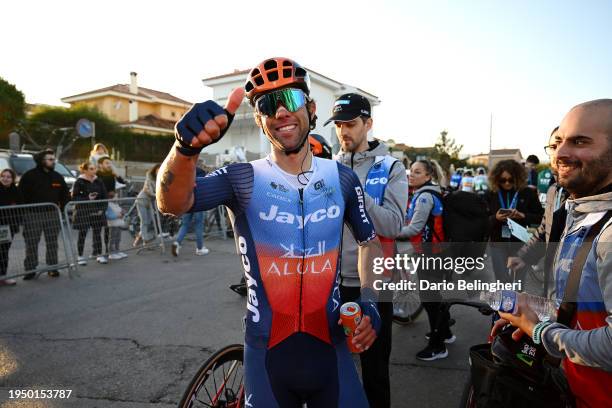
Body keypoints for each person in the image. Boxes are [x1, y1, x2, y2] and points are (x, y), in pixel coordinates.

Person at [156, 57, 384, 407]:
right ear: (260, 119)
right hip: (268, 354)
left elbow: (370, 243)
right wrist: (184, 151)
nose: (280, 113)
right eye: (267, 105)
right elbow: (172, 203)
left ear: (310, 107)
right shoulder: (242, 178)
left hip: (331, 347)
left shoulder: (342, 178)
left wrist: (368, 299)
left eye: (290, 101)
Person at [492, 99, 612, 408]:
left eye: (579, 141)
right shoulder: (583, 210)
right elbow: (583, 301)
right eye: (557, 143)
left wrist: (539, 329)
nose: (560, 153)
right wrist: (532, 316)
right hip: (576, 382)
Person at [326, 92, 408, 408]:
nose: (344, 131)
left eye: (351, 123)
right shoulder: (326, 166)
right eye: (338, 125)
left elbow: (392, 225)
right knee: (332, 367)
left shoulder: (391, 167)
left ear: (368, 124)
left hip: (373, 286)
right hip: (331, 283)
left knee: (374, 372)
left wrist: (357, 193)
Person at [398, 160, 454, 360]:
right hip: (436, 253)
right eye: (411, 171)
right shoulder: (429, 192)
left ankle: (438, 346)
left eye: (417, 172)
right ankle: (445, 333)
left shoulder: (424, 197)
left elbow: (414, 228)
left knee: (430, 299)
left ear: (428, 176)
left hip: (430, 255)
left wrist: (388, 232)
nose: (411, 175)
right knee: (435, 297)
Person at [507, 127, 567, 293]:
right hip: (551, 285)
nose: (560, 153)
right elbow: (544, 229)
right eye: (554, 147)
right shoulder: (554, 190)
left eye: (576, 143)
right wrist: (524, 256)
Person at [485, 159, 543, 283]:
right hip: (498, 242)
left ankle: (517, 302)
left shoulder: (528, 193)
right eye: (502, 180)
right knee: (502, 281)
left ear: (518, 178)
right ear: (496, 179)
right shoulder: (490, 194)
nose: (507, 183)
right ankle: (504, 301)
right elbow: (482, 221)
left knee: (518, 282)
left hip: (521, 242)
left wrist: (523, 216)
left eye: (511, 180)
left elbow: (541, 217)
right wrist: (495, 218)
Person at [19, 149, 70, 279]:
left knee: (52, 242)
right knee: (31, 243)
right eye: (50, 159)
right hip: (32, 215)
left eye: (54, 159)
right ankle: (30, 269)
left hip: (52, 214)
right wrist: (22, 214)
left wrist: (63, 209)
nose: (54, 162)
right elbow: (21, 196)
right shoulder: (29, 176)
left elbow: (65, 195)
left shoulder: (57, 176)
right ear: (42, 161)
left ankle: (52, 267)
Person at [72, 162, 108, 265]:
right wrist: (87, 198)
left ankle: (98, 254)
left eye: (95, 168)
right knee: (82, 234)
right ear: (85, 170)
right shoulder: (79, 181)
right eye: (91, 169)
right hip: (83, 212)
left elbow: (104, 197)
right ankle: (80, 256)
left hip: (97, 212)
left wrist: (102, 209)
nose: (94, 170)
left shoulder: (99, 181)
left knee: (97, 234)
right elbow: (74, 197)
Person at [172, 166, 209, 257]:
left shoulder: (185, 173)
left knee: (185, 225)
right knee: (198, 226)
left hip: (187, 203)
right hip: (198, 203)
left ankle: (177, 242)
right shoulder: (201, 173)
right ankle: (200, 248)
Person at [97, 156, 128, 259]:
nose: (109, 164)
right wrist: (108, 195)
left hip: (113, 202)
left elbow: (123, 183)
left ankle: (116, 251)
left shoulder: (111, 175)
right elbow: (99, 190)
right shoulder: (98, 175)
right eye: (106, 163)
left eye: (110, 163)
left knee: (117, 228)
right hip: (104, 204)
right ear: (100, 164)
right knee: (108, 230)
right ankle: (108, 253)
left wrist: (116, 174)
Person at [0, 169, 22, 286]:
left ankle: (3, 276)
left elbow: (20, 208)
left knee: (3, 252)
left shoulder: (16, 191)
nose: (5, 179)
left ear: (13, 179)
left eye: (8, 177)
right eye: (3, 176)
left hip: (8, 227)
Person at [134, 164, 160, 246]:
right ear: (154, 170)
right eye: (158, 170)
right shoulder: (149, 178)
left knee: (149, 221)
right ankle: (145, 240)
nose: (159, 172)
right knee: (144, 221)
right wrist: (157, 195)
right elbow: (147, 191)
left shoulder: (160, 180)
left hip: (149, 203)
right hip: (141, 201)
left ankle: (139, 237)